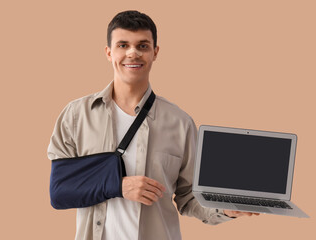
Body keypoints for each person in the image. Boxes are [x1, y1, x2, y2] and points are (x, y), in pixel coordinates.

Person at [47, 10, 258, 240]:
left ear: (155, 52)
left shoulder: (180, 123)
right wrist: (118, 186)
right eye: (123, 45)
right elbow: (60, 192)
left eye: (143, 46)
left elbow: (189, 198)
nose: (133, 53)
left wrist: (226, 210)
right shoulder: (77, 116)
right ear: (108, 52)